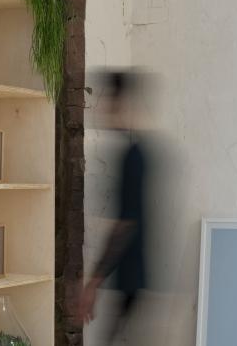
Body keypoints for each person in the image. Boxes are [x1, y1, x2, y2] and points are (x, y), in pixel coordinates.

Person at [79, 71, 150, 344]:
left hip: (132, 279)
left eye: (109, 101)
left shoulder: (133, 157)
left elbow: (126, 225)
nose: (105, 109)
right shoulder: (137, 152)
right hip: (132, 280)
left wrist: (93, 283)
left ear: (124, 103)